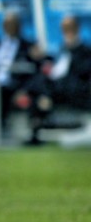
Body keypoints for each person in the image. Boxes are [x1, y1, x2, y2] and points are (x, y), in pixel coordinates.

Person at [13, 15, 91, 144]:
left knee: (42, 85)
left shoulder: (84, 51)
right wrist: (41, 57)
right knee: (40, 80)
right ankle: (35, 130)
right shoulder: (61, 49)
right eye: (64, 28)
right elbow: (56, 68)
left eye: (69, 28)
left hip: (72, 89)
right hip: (55, 87)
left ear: (77, 29)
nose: (67, 32)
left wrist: (72, 49)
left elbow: (81, 71)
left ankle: (39, 96)